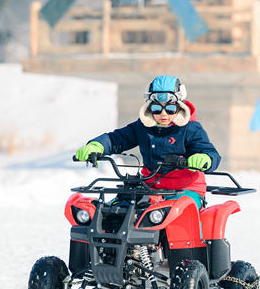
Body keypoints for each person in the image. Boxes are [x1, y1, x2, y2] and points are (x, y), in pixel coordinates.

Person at [74, 75, 220, 209]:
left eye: (170, 109)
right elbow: (116, 139)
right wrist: (97, 145)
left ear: (179, 107)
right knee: (117, 209)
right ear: (149, 108)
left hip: (186, 188)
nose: (163, 114)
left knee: (178, 214)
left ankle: (194, 237)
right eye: (157, 108)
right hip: (150, 185)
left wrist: (204, 159)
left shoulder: (191, 128)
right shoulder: (143, 127)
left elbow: (210, 153)